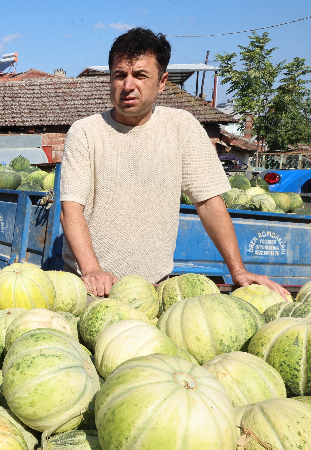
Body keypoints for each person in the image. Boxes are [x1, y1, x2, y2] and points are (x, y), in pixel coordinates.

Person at [60, 27, 288, 298]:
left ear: (162, 82)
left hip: (153, 288)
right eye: (120, 75)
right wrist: (92, 271)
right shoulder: (85, 132)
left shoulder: (182, 127)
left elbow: (208, 203)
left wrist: (237, 270)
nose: (128, 85)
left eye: (140, 75)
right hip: (91, 288)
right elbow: (71, 209)